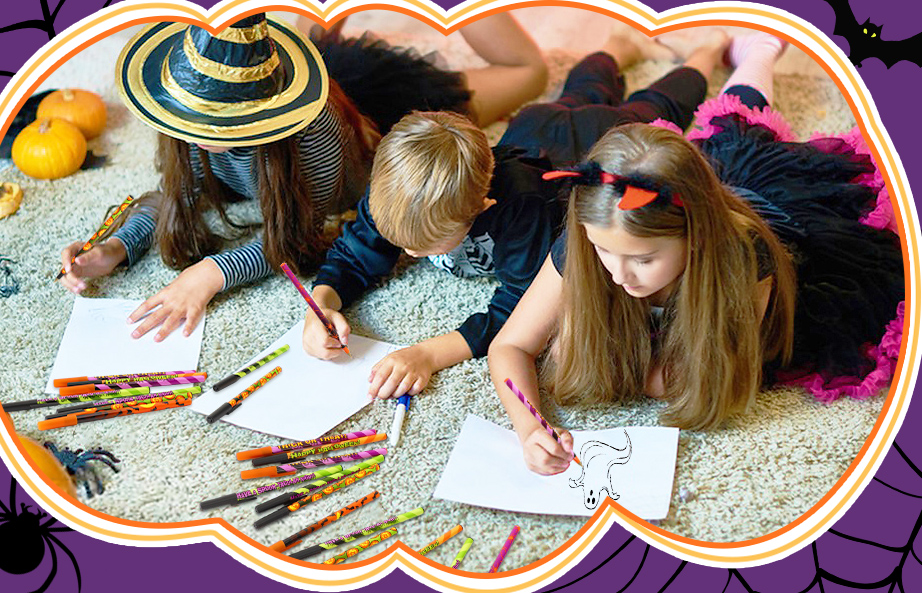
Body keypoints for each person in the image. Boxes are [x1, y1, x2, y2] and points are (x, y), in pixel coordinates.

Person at [486, 33, 905, 475]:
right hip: (689, 195)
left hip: (784, 215)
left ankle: (760, 49)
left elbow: (702, 385)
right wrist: (529, 428)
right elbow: (509, 346)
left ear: (696, 239)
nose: (618, 274)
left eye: (643, 260)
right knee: (722, 141)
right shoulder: (596, 237)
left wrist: (601, 354)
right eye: (602, 250)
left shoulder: (745, 260)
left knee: (742, 127)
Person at [56, 12, 547, 342]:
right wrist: (115, 247)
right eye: (189, 119)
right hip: (304, 75)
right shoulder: (185, 112)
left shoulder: (314, 137)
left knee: (529, 73)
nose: (195, 135)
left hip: (392, 116)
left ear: (258, 115)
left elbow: (300, 233)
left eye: (213, 122)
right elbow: (178, 194)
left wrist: (209, 273)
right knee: (311, 38)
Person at [302, 29, 733, 400]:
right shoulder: (397, 190)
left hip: (592, 139)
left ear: (482, 208)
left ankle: (706, 53)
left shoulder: (524, 216)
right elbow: (354, 253)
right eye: (399, 240)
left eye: (425, 245)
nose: (408, 251)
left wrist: (428, 354)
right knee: (580, 90)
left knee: (658, 105)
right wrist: (321, 303)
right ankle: (619, 47)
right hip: (534, 123)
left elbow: (519, 310)